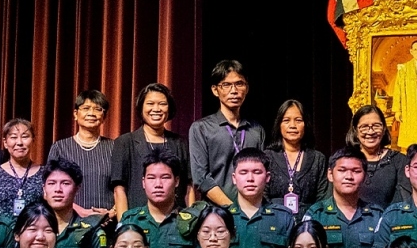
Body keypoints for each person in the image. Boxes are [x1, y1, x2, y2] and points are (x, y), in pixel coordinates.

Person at [213, 148, 295, 248]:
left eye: (257, 172)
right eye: (243, 172)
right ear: (234, 178)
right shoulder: (221, 218)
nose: (250, 178)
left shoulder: (283, 217)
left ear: (267, 177)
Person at [188, 60, 265, 207]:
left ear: (247, 88)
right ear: (215, 90)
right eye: (226, 85)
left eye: (239, 84)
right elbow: (201, 178)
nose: (234, 90)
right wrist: (231, 209)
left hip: (253, 210)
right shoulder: (201, 128)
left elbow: (263, 172)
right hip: (216, 212)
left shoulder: (256, 130)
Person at [118, 154, 201, 248]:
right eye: (151, 178)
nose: (158, 185)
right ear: (143, 182)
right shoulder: (130, 220)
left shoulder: (192, 222)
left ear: (177, 181)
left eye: (165, 177)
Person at [110, 83, 192, 218]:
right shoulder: (124, 142)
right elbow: (119, 190)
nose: (156, 109)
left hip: (176, 220)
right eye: (150, 103)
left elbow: (189, 187)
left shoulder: (180, 143)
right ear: (141, 107)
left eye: (162, 104)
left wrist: (191, 221)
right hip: (137, 221)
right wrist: (124, 225)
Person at [42, 158, 110, 248]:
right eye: (51, 183)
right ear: (44, 189)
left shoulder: (91, 232)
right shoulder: (33, 231)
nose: (58, 189)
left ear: (77, 189)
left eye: (65, 183)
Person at [47, 90, 115, 215]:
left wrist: (113, 212)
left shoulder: (115, 147)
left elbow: (124, 186)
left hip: (108, 220)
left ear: (104, 117)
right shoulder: (60, 148)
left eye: (98, 109)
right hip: (69, 219)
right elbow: (48, 189)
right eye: (86, 108)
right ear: (75, 114)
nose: (91, 113)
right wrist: (82, 212)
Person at [263, 100, 329, 213]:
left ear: (306, 124)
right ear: (279, 125)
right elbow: (262, 195)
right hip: (273, 219)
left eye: (298, 120)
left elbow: (323, 198)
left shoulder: (318, 159)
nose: (293, 125)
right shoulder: (267, 157)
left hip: (309, 219)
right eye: (286, 120)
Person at [346, 105, 406, 210]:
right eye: (364, 127)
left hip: (389, 218)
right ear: (355, 130)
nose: (371, 132)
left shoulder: (399, 161)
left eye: (376, 126)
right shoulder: (345, 161)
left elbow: (403, 202)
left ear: (384, 129)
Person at [0, 118, 45, 218]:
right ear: (5, 143)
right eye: (13, 137)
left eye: (25, 137)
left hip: (34, 227)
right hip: (0, 227)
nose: (19, 142)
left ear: (33, 140)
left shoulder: (45, 173)